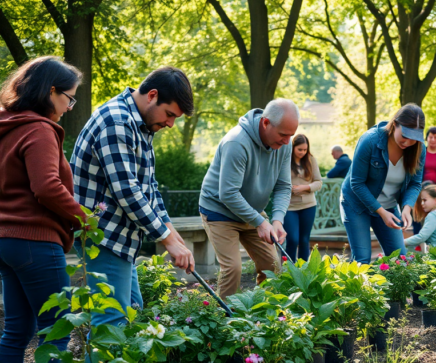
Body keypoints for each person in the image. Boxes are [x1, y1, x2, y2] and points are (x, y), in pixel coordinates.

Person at [70, 67, 196, 328]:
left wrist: (171, 232)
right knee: (112, 323)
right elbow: (127, 190)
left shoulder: (141, 124)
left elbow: (148, 186)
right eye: (170, 114)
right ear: (152, 95)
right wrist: (166, 239)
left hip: (120, 238)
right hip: (101, 236)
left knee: (132, 314)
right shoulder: (116, 122)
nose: (171, 124)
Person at [0, 57, 89, 361]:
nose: (69, 107)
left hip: (6, 241)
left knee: (16, 332)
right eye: (69, 98)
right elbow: (47, 187)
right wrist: (84, 218)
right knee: (57, 330)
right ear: (51, 91)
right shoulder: (39, 129)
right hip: (35, 240)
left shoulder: (7, 126)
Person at [198, 99, 295, 296]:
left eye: (290, 135)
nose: (287, 141)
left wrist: (277, 220)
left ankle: (264, 311)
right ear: (266, 123)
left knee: (272, 266)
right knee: (233, 269)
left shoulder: (285, 144)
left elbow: (284, 186)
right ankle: (225, 314)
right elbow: (228, 193)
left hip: (252, 211)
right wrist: (259, 222)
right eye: (283, 135)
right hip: (220, 211)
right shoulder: (236, 142)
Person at [341, 104, 426, 264]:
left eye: (414, 139)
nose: (408, 142)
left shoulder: (419, 149)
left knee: (399, 259)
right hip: (357, 204)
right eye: (405, 135)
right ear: (395, 124)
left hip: (389, 206)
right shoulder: (370, 140)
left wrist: (407, 208)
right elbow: (356, 183)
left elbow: (415, 183)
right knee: (362, 259)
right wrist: (381, 212)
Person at [285, 134, 322, 262]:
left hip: (308, 205)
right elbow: (278, 181)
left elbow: (318, 182)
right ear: (293, 147)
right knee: (292, 239)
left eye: (305, 150)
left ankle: (303, 269)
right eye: (299, 149)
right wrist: (291, 188)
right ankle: (289, 269)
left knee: (304, 240)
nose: (302, 152)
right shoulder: (285, 160)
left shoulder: (311, 160)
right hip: (289, 206)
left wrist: (305, 188)